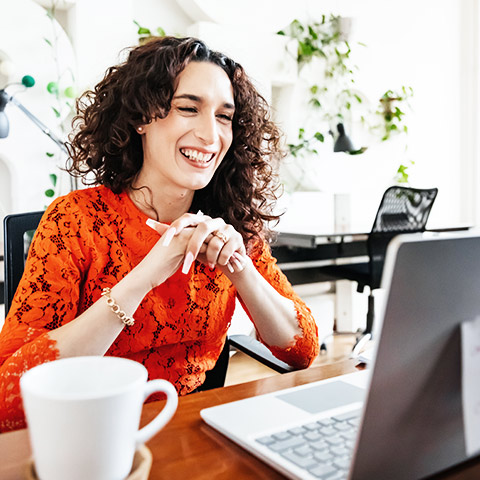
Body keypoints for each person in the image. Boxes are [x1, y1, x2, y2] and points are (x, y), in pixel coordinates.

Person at [0, 36, 319, 432]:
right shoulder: (75, 221)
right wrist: (145, 277)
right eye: (188, 108)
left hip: (190, 440)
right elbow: (7, 400)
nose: (210, 135)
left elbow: (303, 351)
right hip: (91, 441)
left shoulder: (230, 223)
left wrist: (241, 269)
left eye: (224, 116)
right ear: (141, 117)